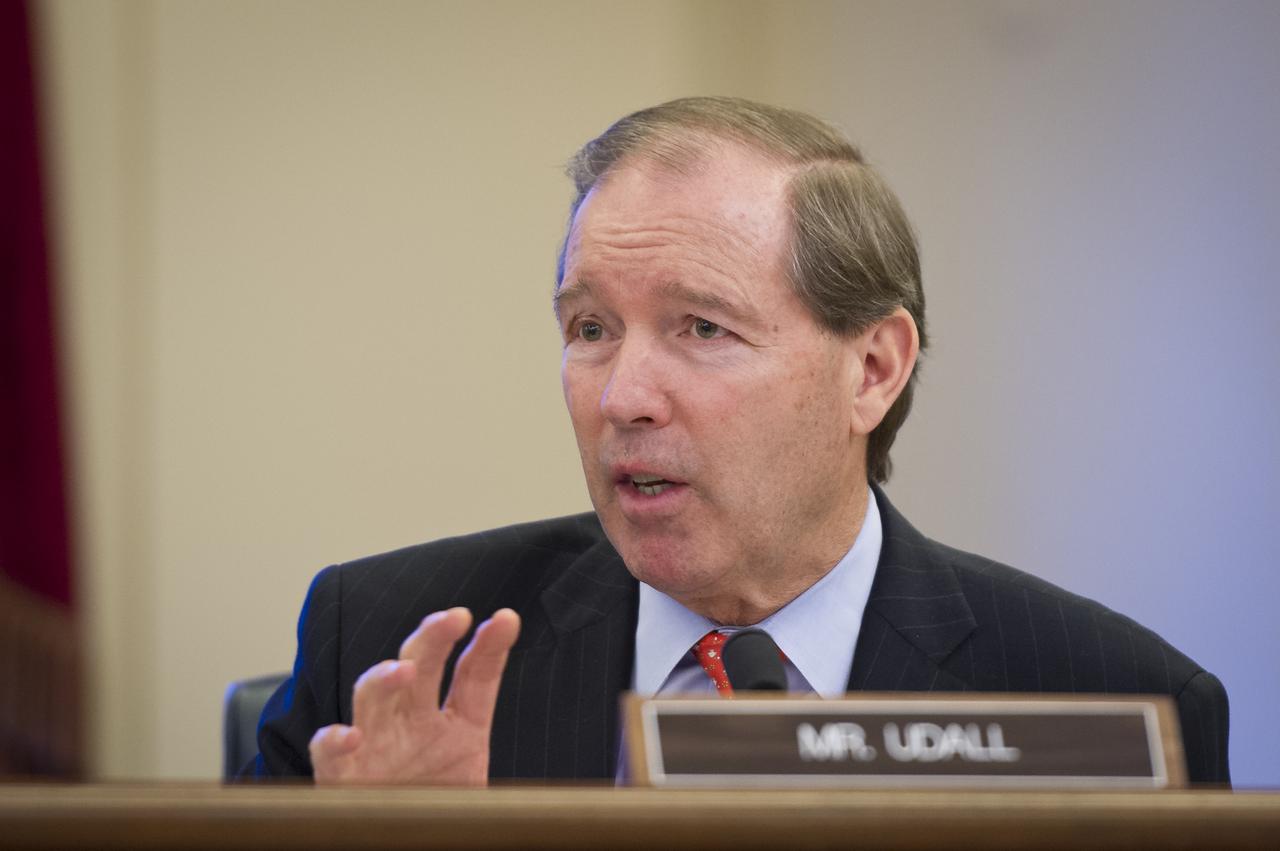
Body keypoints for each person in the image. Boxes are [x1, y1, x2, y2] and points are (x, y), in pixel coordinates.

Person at [247, 97, 1230, 785]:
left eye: (701, 328)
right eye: (589, 328)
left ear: (872, 369)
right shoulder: (386, 651)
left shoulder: (1108, 697)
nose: (622, 394)